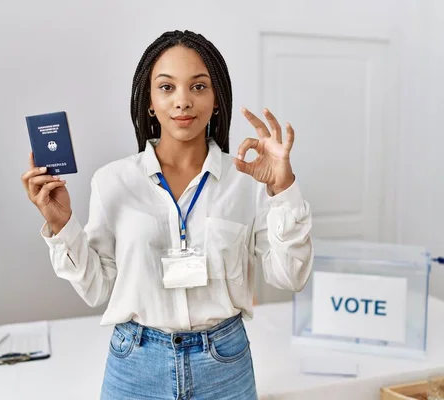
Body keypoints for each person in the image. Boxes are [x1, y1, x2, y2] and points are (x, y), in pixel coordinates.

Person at [21, 30, 313, 400]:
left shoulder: (248, 181)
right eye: (167, 87)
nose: (182, 102)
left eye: (198, 86)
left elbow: (290, 276)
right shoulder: (112, 181)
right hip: (136, 365)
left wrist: (283, 190)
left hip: (224, 364)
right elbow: (97, 290)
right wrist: (62, 225)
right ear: (149, 102)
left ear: (217, 100)